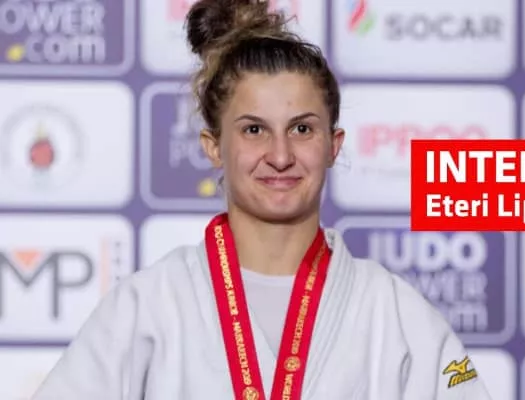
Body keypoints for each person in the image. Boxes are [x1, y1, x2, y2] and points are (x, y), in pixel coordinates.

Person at [32, 0, 493, 399]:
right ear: (214, 145)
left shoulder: (394, 311)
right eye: (254, 129)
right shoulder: (148, 306)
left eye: (302, 129)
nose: (280, 155)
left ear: (333, 145)